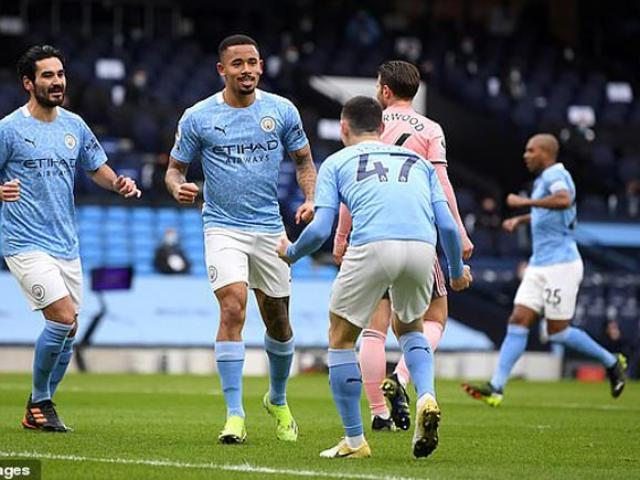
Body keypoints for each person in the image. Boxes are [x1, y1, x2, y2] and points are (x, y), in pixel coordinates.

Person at [277, 96, 472, 459]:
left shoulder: (336, 161)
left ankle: (354, 440)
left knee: (340, 336)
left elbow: (321, 230)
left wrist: (290, 253)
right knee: (411, 327)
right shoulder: (418, 162)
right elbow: (446, 223)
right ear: (382, 129)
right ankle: (426, 395)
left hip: (372, 244)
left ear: (343, 128)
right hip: (421, 248)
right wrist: (456, 271)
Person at [165, 34, 316, 444]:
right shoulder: (198, 117)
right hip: (222, 226)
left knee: (279, 321)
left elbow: (304, 159)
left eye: (252, 62)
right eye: (237, 64)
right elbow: (174, 170)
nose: (246, 69)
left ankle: (278, 399)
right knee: (233, 307)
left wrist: (311, 197)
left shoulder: (281, 110)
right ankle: (234, 415)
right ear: (222, 70)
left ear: (261, 66)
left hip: (269, 229)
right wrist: (177, 186)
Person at [0, 45, 140, 432]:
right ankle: (40, 401)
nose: (57, 81)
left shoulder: (74, 126)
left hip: (66, 243)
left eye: (60, 74)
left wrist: (119, 184)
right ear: (28, 83)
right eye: (47, 75)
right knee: (61, 319)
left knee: (70, 328)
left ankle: (37, 408)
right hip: (24, 242)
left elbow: (98, 167)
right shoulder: (8, 129)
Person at [333, 60, 474, 431]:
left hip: (370, 234)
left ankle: (379, 413)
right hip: (416, 232)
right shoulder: (431, 129)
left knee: (374, 330)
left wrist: (341, 237)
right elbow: (441, 184)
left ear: (384, 91)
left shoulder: (371, 128)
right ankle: (404, 376)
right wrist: (458, 232)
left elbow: (353, 188)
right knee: (432, 317)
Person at [462, 134, 627, 406]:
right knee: (517, 320)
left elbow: (563, 200)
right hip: (539, 264)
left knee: (558, 332)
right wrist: (523, 220)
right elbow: (552, 211)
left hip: (561, 265)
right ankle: (496, 387)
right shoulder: (544, 180)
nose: (525, 155)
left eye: (530, 150)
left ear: (546, 153)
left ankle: (611, 362)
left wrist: (524, 204)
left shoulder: (556, 176)